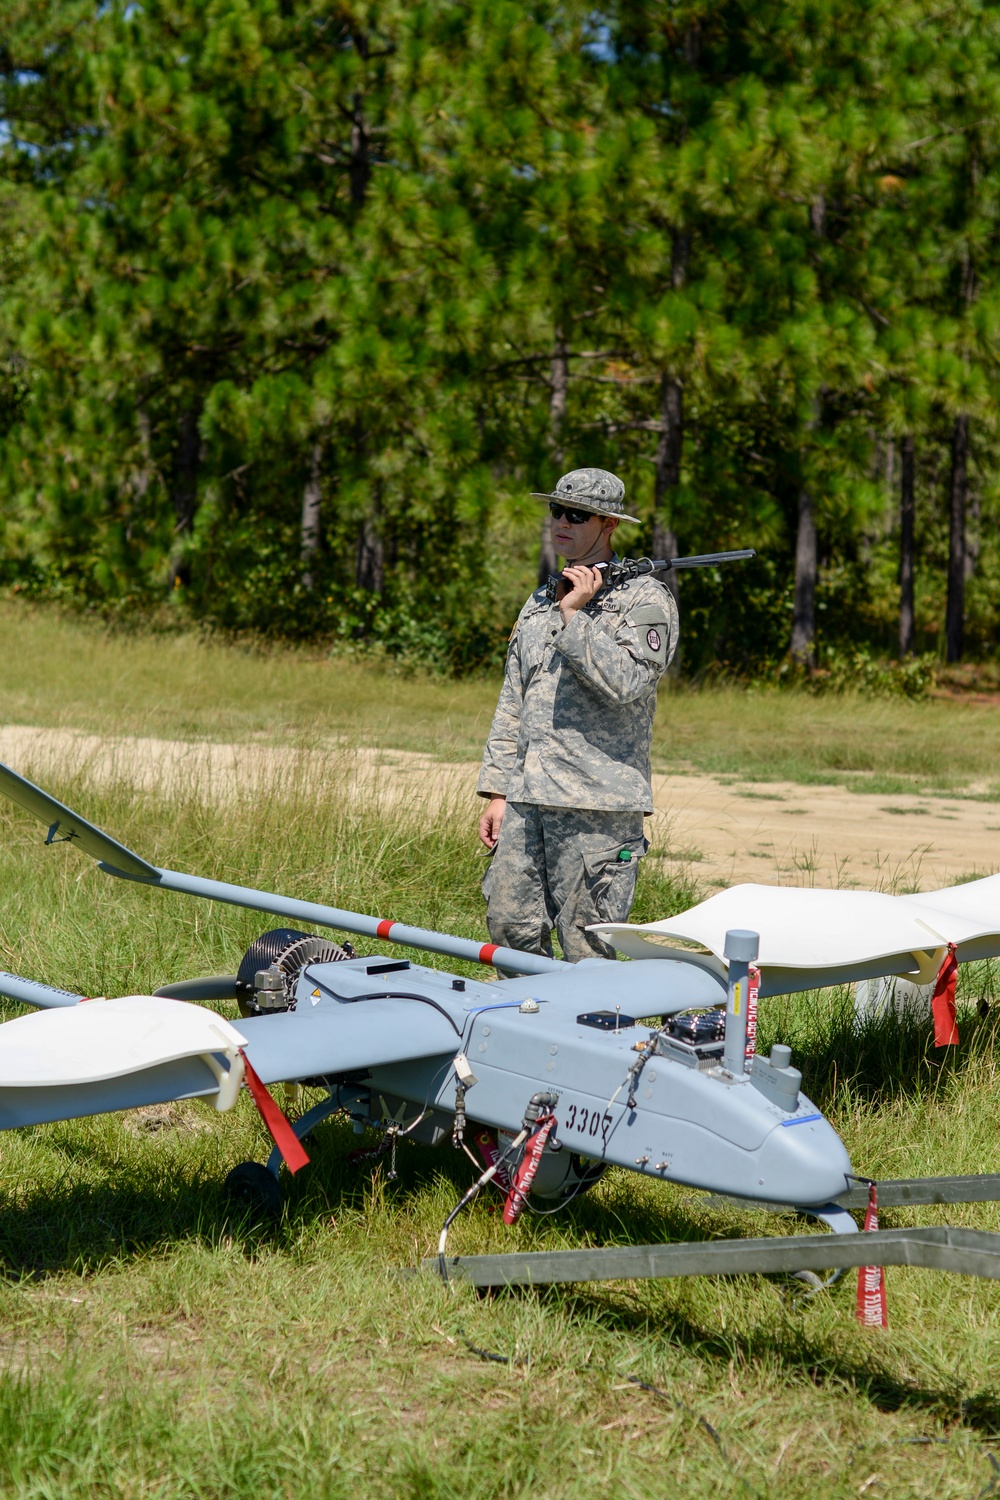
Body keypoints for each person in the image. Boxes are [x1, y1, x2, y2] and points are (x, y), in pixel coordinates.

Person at [477, 466, 678, 963]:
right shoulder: (541, 597)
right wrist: (499, 791)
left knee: (586, 946)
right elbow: (515, 696)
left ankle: (588, 1016)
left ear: (609, 525)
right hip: (528, 796)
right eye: (557, 510)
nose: (562, 522)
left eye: (578, 515)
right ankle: (531, 1012)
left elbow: (628, 682)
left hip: (597, 803)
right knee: (509, 930)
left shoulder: (645, 599)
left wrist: (575, 616)